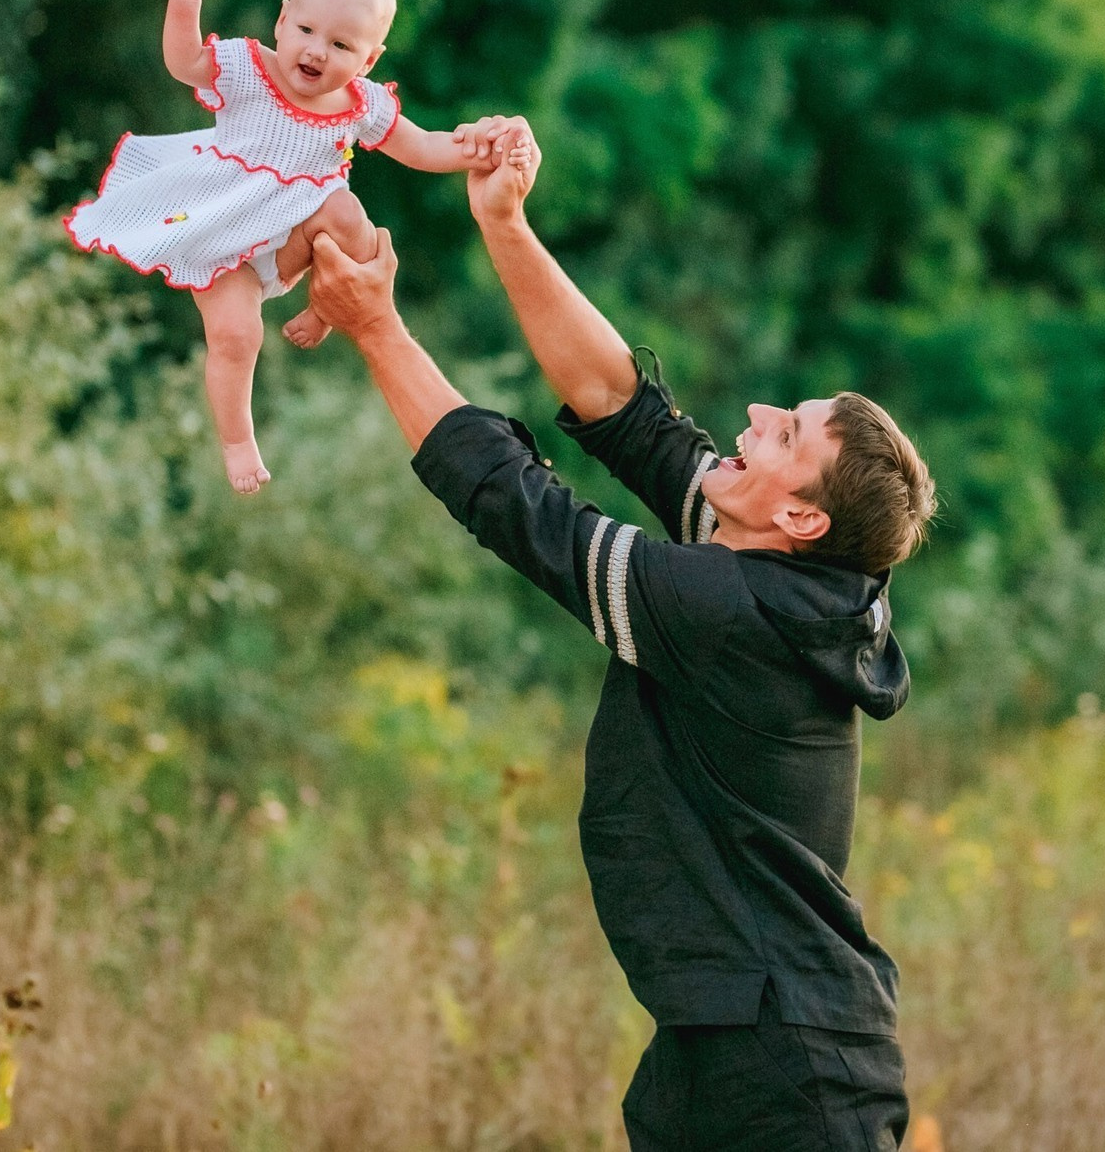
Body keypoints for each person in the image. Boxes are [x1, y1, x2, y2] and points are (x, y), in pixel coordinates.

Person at [306, 116, 936, 1151]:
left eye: (784, 432)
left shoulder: (732, 610)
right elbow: (620, 406)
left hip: (786, 1067)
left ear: (800, 516)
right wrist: (504, 223)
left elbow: (523, 509)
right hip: (736, 1040)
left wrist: (378, 328)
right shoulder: (794, 579)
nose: (754, 414)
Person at [65, 0, 520, 493]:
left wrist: (478, 149)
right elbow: (185, 63)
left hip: (293, 239)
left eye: (341, 45)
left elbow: (421, 147)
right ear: (282, 22)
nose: (316, 51)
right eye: (306, 30)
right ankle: (237, 441)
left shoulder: (361, 105)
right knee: (236, 335)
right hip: (221, 237)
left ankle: (326, 307)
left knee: (349, 215)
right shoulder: (247, 68)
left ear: (369, 60)